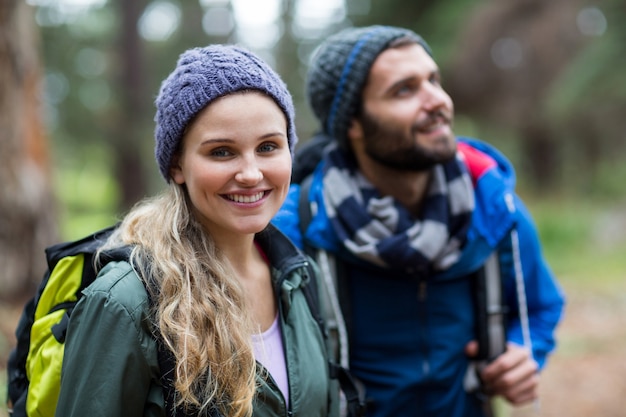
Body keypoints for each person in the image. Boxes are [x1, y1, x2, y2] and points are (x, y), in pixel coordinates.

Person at [272, 25, 566, 417]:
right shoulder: (297, 228)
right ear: (353, 123)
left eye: (434, 80)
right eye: (405, 90)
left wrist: (523, 351)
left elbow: (541, 307)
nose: (438, 101)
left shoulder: (492, 205)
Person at [55, 44, 339, 417]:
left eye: (269, 146)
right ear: (177, 165)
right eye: (221, 152)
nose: (252, 173)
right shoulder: (127, 301)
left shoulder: (299, 277)